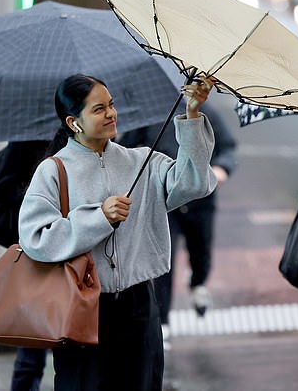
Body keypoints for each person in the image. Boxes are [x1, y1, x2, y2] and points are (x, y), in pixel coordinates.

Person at [18, 73, 217, 390]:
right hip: (81, 308)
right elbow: (36, 238)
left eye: (111, 105)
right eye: (98, 109)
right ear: (74, 122)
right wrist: (99, 217)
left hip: (139, 306)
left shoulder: (140, 160)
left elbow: (194, 182)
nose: (111, 114)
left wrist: (191, 115)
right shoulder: (53, 170)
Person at [119, 101, 237, 338]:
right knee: (166, 260)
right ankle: (163, 322)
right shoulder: (149, 115)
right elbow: (124, 149)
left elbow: (228, 147)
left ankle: (197, 283)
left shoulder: (207, 113)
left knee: (201, 251)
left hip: (201, 201)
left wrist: (221, 168)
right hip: (166, 201)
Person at [0, 140, 52, 391]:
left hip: (41, 258)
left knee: (33, 355)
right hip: (36, 260)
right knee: (34, 353)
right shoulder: (15, 154)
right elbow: (1, 219)